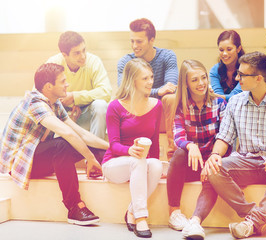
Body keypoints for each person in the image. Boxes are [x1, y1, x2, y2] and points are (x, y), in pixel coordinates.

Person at [204, 52, 266, 239]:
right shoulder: (235, 102)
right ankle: (255, 219)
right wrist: (214, 155)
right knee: (213, 168)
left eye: (242, 75)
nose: (237, 78)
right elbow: (224, 138)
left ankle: (251, 221)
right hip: (245, 162)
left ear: (259, 78)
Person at [0, 63, 109, 225]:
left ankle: (115, 170)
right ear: (49, 86)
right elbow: (67, 133)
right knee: (63, 145)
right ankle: (74, 207)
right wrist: (90, 158)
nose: (67, 84)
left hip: (36, 156)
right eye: (63, 81)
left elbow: (82, 134)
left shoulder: (55, 103)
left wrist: (116, 149)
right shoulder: (35, 104)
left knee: (95, 148)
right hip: (20, 164)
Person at [166, 60, 229, 240]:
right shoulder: (180, 107)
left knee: (218, 166)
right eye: (194, 80)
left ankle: (195, 221)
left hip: (214, 162)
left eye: (203, 78)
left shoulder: (219, 103)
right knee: (179, 154)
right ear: (185, 83)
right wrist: (191, 145)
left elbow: (226, 136)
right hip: (193, 163)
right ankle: (174, 212)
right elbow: (178, 136)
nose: (201, 83)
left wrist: (212, 159)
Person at [102, 58, 163, 238]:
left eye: (151, 77)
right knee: (138, 161)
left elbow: (155, 141)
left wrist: (156, 163)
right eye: (144, 78)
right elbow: (113, 145)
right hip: (114, 164)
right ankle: (142, 217)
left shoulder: (156, 105)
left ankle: (131, 211)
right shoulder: (115, 106)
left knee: (157, 166)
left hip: (139, 162)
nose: (150, 82)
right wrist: (129, 151)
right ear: (132, 80)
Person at [117, 18, 179, 160]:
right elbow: (125, 92)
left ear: (152, 40)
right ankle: (121, 153)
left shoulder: (167, 56)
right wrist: (157, 91)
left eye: (139, 41)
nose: (134, 46)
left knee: (170, 98)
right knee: (118, 101)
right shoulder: (125, 62)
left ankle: (172, 156)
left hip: (160, 110)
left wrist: (147, 92)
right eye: (132, 41)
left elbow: (170, 88)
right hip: (134, 107)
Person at [47, 31, 112, 139]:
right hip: (62, 115)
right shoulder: (53, 63)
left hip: (86, 112)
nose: (83, 56)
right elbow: (39, 96)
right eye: (77, 53)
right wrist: (62, 107)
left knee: (101, 105)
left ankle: (98, 152)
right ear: (64, 55)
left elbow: (106, 92)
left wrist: (75, 97)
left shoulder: (94, 61)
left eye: (84, 50)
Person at [210, 30, 244, 102]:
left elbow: (237, 96)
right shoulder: (214, 70)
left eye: (229, 49)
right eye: (221, 50)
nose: (224, 53)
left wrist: (212, 95)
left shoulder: (247, 69)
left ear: (238, 49)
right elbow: (218, 100)